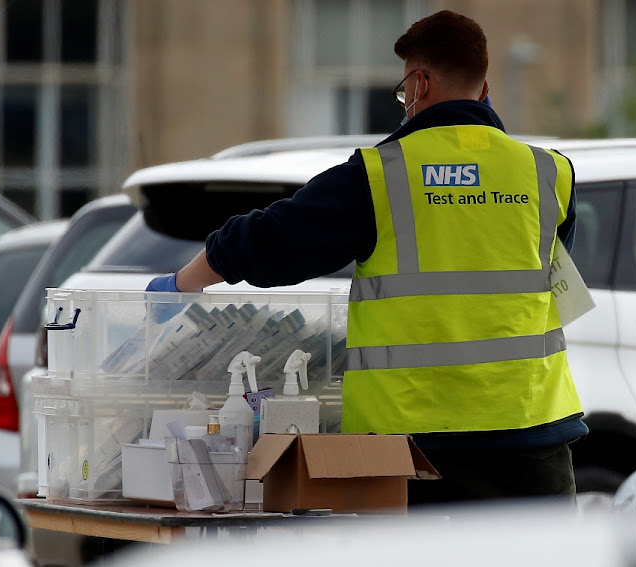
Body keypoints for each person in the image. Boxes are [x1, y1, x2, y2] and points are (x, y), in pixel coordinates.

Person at [147, 10, 588, 505]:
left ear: (420, 84)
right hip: (532, 442)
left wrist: (185, 281)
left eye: (403, 90)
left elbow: (272, 242)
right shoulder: (549, 173)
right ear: (484, 89)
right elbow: (551, 272)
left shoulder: (380, 176)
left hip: (412, 452)